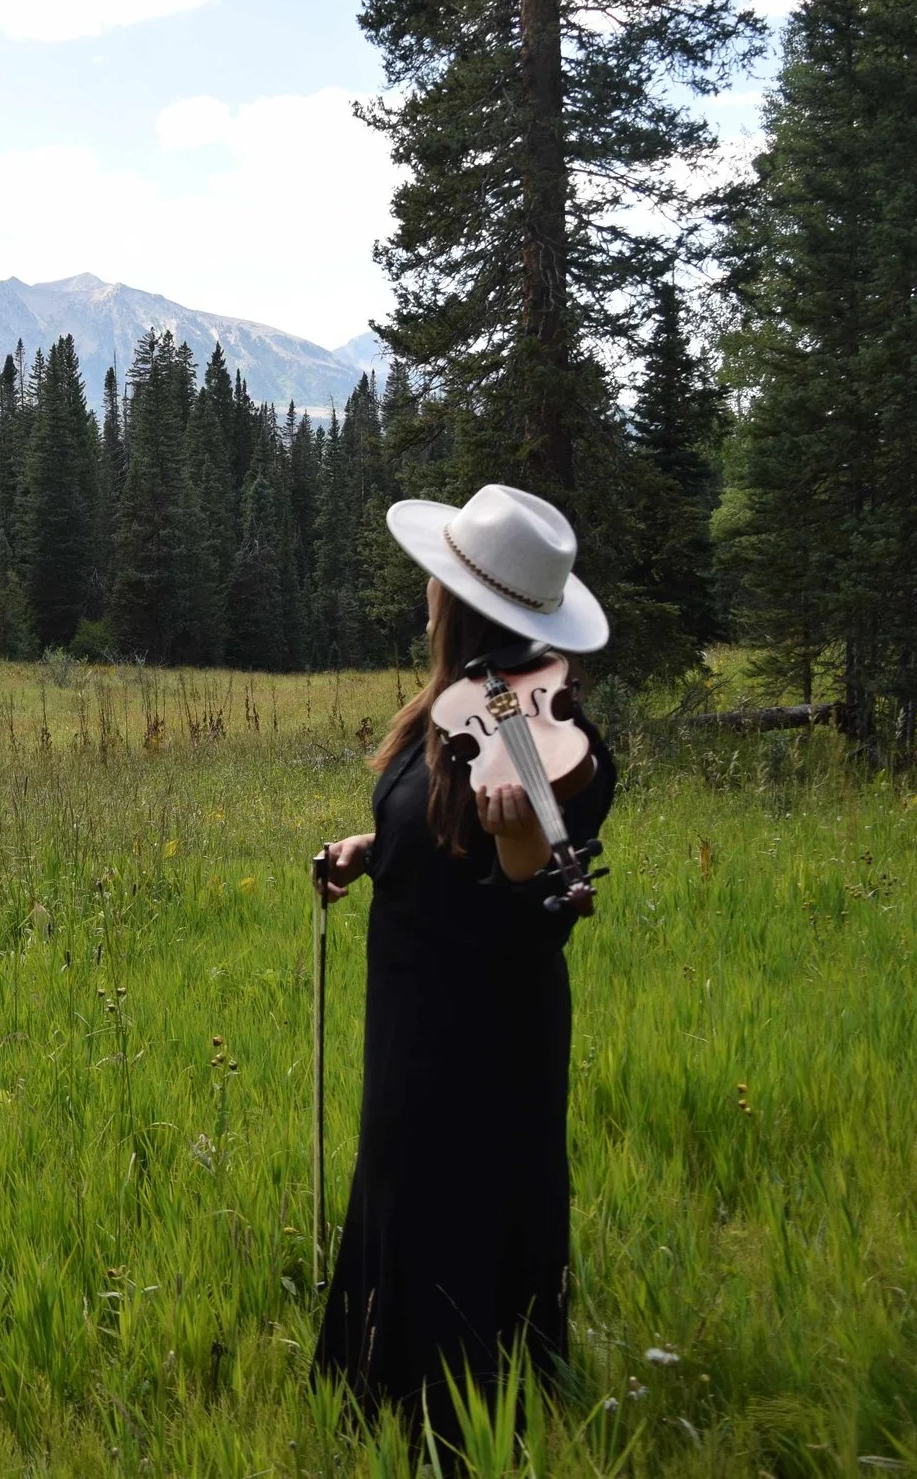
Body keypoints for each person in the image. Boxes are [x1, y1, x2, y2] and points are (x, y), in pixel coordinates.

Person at [313, 483, 618, 1445]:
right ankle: (382, 1372)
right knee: (404, 1180)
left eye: (438, 584)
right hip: (412, 1002)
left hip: (482, 1025)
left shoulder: (561, 744)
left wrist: (526, 842)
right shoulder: (451, 704)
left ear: (466, 602)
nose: (426, 596)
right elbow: (435, 833)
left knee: (464, 1190)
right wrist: (371, 848)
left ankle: (457, 1415)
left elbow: (539, 908)